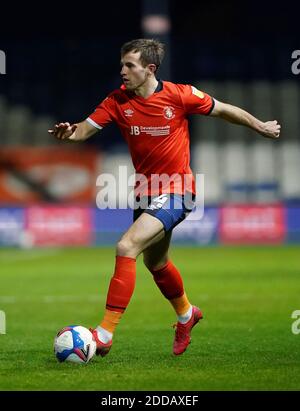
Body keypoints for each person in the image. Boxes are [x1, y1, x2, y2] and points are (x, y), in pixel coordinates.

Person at [48, 39, 281, 356]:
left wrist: (260, 126)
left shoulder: (180, 94)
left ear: (150, 69)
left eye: (130, 65)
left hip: (177, 189)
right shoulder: (117, 101)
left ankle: (103, 334)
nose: (123, 71)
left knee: (126, 246)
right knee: (155, 261)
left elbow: (224, 109)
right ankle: (187, 314)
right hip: (145, 194)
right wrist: (68, 133)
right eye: (122, 64)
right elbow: (81, 131)